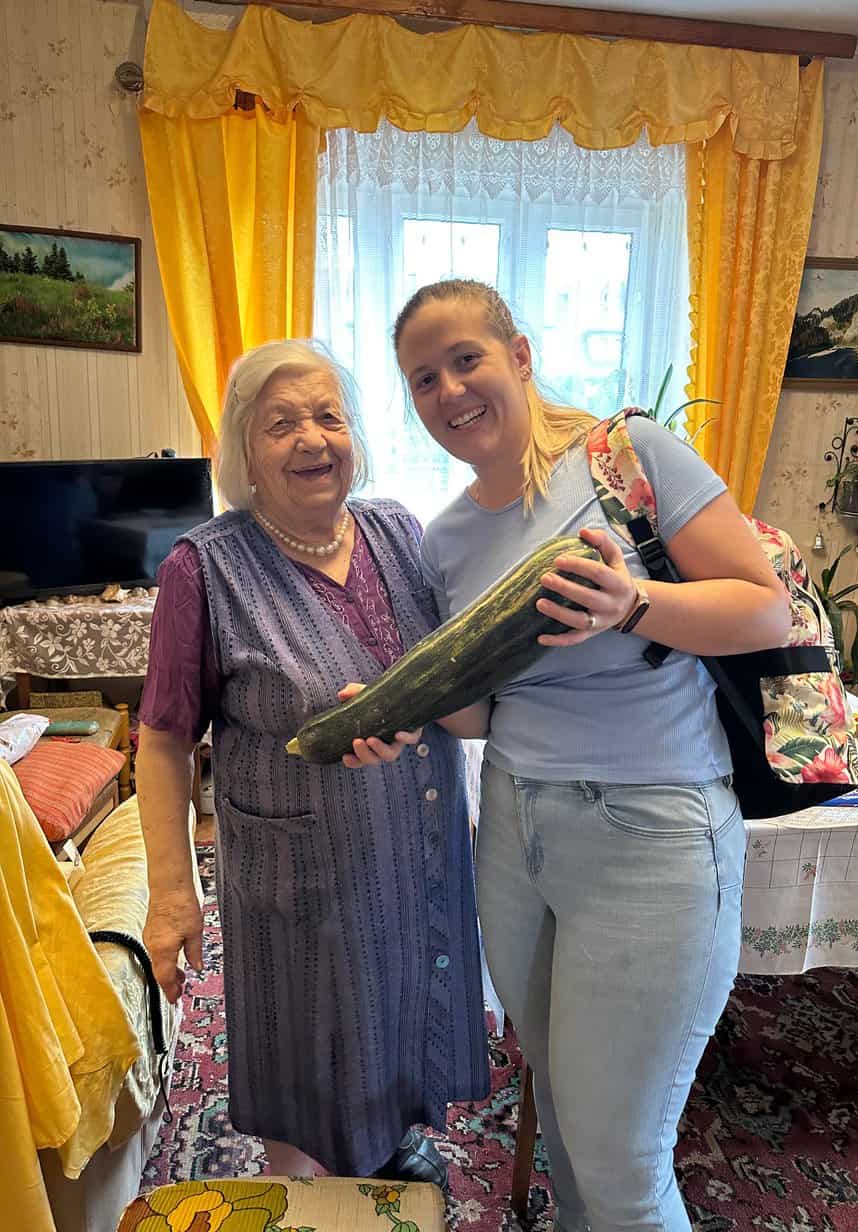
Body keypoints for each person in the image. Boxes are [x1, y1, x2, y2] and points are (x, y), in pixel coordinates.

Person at [384, 279, 792, 1232]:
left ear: (520, 356)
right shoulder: (443, 540)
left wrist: (634, 603)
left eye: (467, 360)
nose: (449, 391)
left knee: (622, 1160)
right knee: (569, 1123)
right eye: (423, 379)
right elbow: (482, 714)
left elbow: (762, 604)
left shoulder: (626, 458)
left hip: (654, 828)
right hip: (518, 826)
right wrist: (403, 707)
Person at [136, 338, 490, 1187]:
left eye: (329, 416)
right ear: (243, 453)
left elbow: (446, 682)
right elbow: (161, 738)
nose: (312, 439)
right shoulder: (204, 568)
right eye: (280, 423)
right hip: (299, 871)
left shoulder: (398, 530)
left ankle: (391, 1154)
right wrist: (171, 893)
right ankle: (309, 1187)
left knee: (404, 1008)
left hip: (414, 851)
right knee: (309, 1035)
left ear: (355, 435)